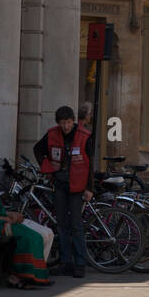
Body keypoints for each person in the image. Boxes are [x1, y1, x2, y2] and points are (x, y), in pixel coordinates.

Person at [0, 154, 52, 288]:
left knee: (33, 235)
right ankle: (23, 275)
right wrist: (5, 218)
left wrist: (10, 215)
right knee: (28, 236)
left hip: (0, 223)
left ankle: (28, 274)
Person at [34, 106, 94, 278]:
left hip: (77, 186)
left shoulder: (84, 136)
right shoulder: (52, 134)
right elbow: (38, 149)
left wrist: (90, 188)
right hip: (59, 185)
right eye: (62, 123)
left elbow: (90, 164)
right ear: (58, 123)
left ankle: (80, 263)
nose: (66, 126)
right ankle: (65, 262)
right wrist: (48, 169)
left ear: (73, 121)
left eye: (68, 122)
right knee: (61, 225)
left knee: (76, 225)